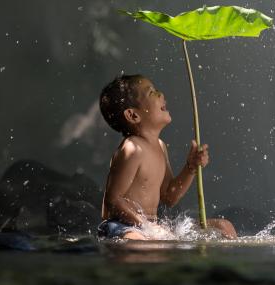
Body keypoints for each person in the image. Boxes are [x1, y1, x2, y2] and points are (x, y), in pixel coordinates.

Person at [97, 74, 237, 240]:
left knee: (224, 226)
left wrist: (190, 167)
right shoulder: (132, 149)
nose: (160, 94)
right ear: (133, 115)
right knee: (142, 242)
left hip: (149, 227)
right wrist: (147, 227)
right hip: (121, 226)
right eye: (151, 92)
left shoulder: (160, 147)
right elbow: (112, 203)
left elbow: (169, 196)